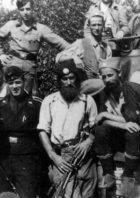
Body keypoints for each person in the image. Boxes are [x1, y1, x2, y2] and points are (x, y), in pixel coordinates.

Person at [93, 57, 140, 198]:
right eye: (104, 77)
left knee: (131, 131)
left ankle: (128, 175)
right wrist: (115, 120)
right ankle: (108, 172)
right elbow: (100, 121)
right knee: (100, 130)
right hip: (116, 136)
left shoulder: (132, 90)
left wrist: (106, 115)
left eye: (110, 75)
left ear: (119, 73)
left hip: (136, 137)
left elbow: (134, 120)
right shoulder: (103, 93)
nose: (107, 79)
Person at [37, 60, 98, 198]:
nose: (69, 82)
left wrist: (88, 141)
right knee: (64, 194)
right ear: (59, 80)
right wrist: (53, 156)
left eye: (71, 78)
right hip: (61, 158)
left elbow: (96, 127)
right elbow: (42, 131)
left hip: (83, 157)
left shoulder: (87, 100)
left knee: (86, 194)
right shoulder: (49, 101)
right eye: (64, 79)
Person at [0, 0, 70, 94]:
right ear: (18, 10)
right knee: (7, 95)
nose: (25, 12)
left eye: (28, 9)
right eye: (22, 9)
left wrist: (73, 52)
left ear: (33, 9)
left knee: (26, 96)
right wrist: (0, 54)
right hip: (11, 64)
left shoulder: (41, 29)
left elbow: (60, 43)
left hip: (29, 68)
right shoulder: (11, 25)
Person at [0, 66, 42, 198]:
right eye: (10, 83)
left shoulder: (35, 104)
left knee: (27, 195)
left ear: (24, 82)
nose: (14, 86)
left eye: (18, 82)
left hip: (27, 159)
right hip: (4, 158)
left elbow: (42, 133)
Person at [56, 11, 112, 80]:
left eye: (99, 25)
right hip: (86, 85)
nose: (97, 28)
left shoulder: (107, 47)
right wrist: (74, 57)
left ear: (103, 26)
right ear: (89, 26)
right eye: (94, 25)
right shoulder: (81, 43)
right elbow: (59, 57)